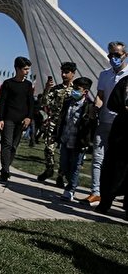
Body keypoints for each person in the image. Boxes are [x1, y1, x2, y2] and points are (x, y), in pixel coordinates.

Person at [82, 41, 128, 206]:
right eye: (111, 55)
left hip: (123, 126)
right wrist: (95, 107)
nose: (113, 58)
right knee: (98, 158)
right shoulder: (104, 74)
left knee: (118, 161)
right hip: (105, 121)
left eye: (117, 54)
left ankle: (115, 193)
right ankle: (96, 192)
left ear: (125, 55)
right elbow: (100, 96)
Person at [56, 77, 97, 201]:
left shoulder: (89, 106)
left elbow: (91, 126)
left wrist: (88, 142)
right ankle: (72, 183)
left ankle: (70, 190)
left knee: (75, 166)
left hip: (79, 142)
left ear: (85, 91)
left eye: (77, 89)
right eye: (74, 88)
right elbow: (62, 119)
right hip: (66, 138)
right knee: (63, 165)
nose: (74, 91)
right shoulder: (68, 102)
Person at [36, 62, 76, 186]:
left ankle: (61, 175)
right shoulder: (56, 89)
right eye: (62, 72)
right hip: (54, 122)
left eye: (66, 72)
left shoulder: (76, 91)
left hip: (68, 124)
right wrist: (47, 88)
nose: (63, 74)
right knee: (49, 148)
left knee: (65, 151)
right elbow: (44, 103)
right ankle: (49, 169)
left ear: (73, 74)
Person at [95, 73, 128, 217]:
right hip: (122, 132)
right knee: (112, 169)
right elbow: (112, 103)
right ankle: (105, 202)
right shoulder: (125, 82)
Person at [0, 56, 34, 182]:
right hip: (8, 118)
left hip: (22, 120)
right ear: (17, 69)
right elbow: (2, 102)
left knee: (14, 145)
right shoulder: (8, 84)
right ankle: (5, 169)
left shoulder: (28, 85)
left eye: (28, 69)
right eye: (25, 69)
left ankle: (7, 166)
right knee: (6, 144)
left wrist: (29, 117)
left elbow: (31, 103)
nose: (27, 72)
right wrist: (0, 119)